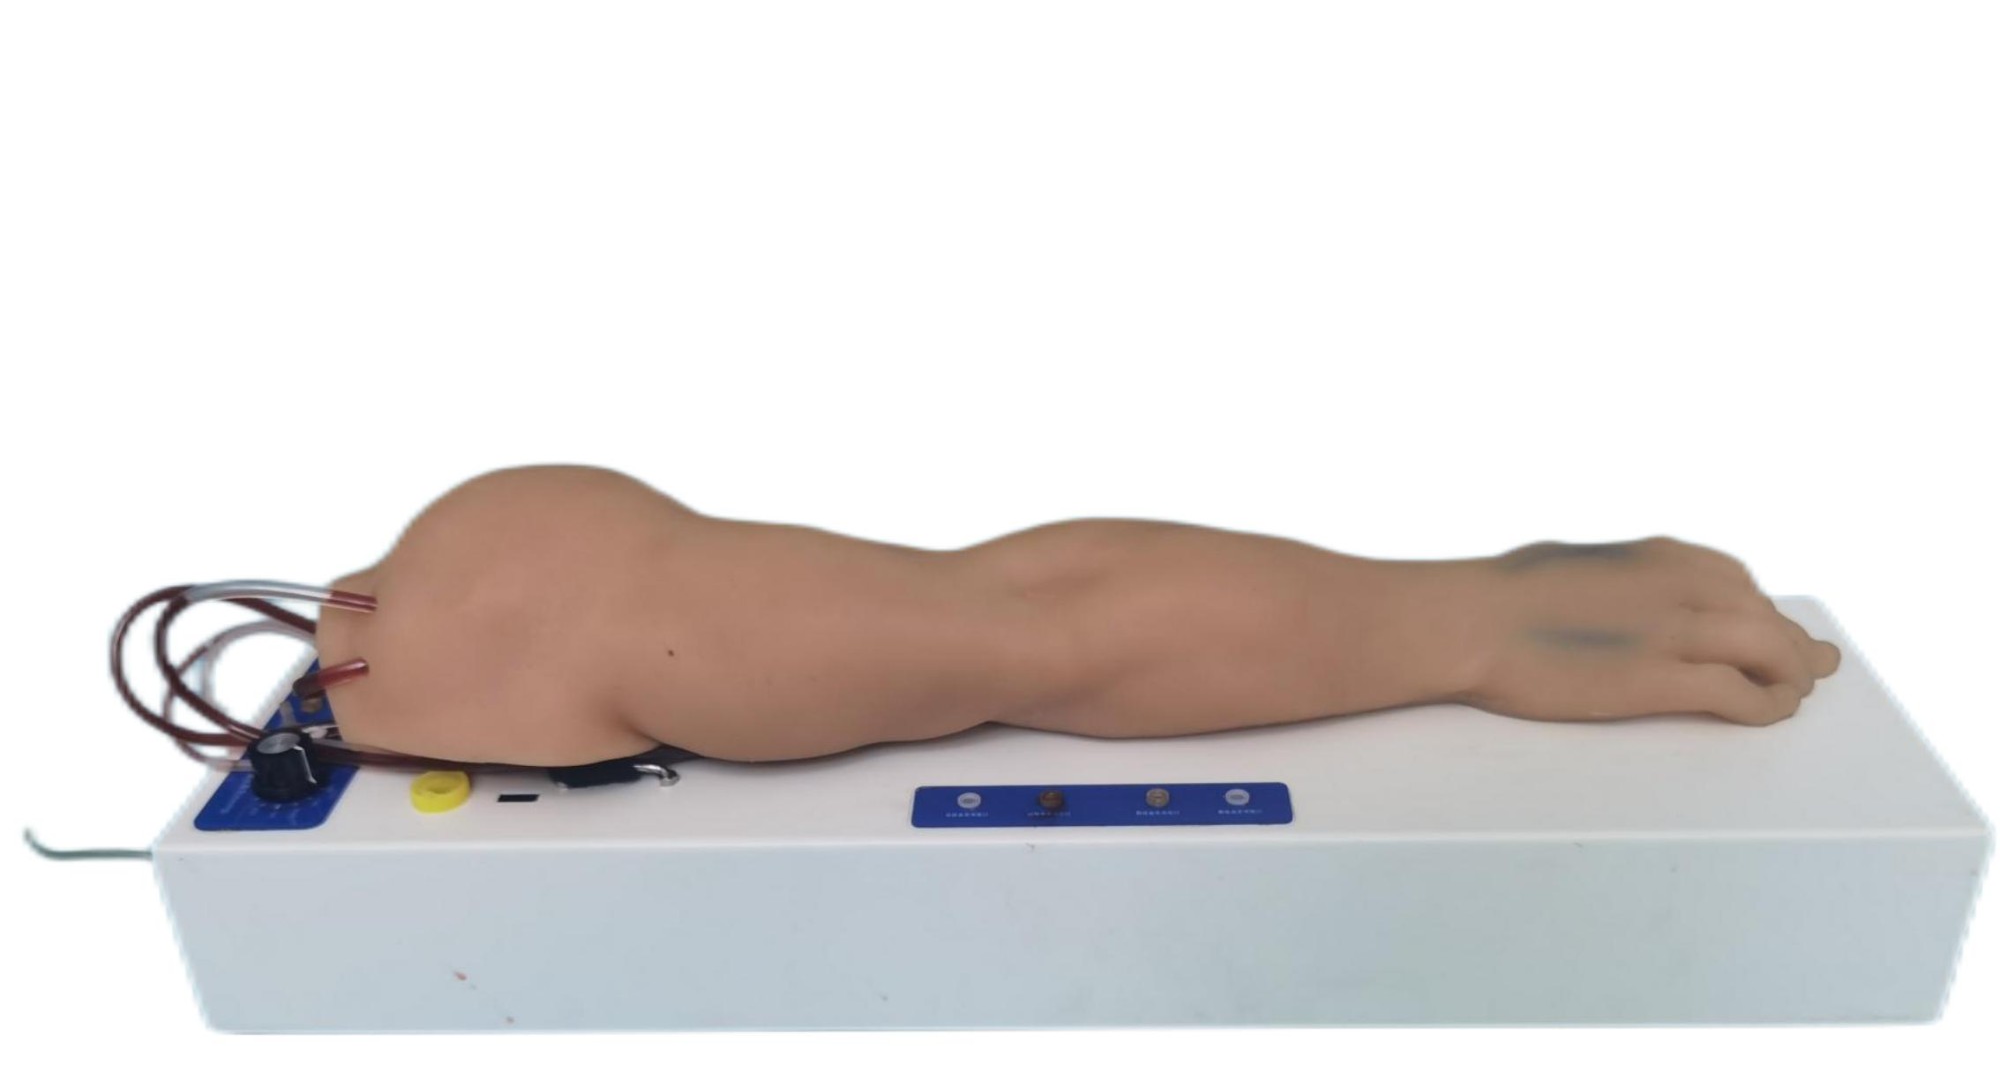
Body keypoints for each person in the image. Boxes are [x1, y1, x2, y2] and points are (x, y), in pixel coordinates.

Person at [312, 463, 1842, 768]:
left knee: (1013, 629)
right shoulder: (480, 548)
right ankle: (1491, 616)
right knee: (1010, 619)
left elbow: (1039, 629)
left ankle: (1491, 618)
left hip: (534, 603)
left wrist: (1473, 630)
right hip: (523, 597)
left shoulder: (473, 566)